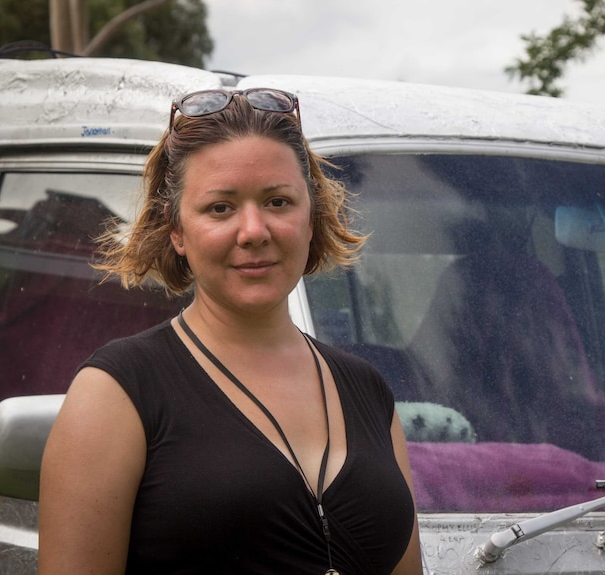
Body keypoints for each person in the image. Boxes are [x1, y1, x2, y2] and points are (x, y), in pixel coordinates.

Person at [38, 88, 422, 575]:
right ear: (176, 229)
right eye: (220, 208)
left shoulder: (367, 390)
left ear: (312, 217)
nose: (254, 230)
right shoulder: (116, 391)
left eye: (278, 201)